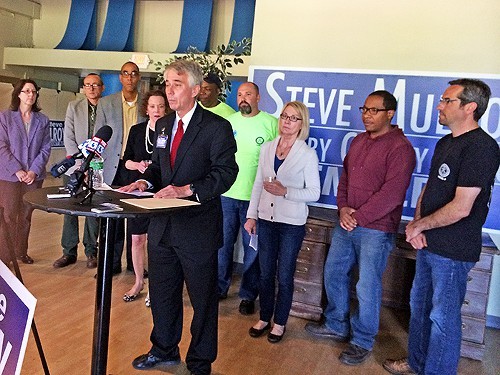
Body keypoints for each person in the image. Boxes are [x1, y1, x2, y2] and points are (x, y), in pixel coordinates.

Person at [120, 60, 237, 375]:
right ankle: (163, 349)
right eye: (167, 83)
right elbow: (160, 170)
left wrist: (188, 189)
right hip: (162, 229)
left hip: (197, 231)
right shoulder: (162, 126)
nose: (169, 90)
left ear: (195, 89)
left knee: (202, 302)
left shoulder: (216, 127)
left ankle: (200, 361)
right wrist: (145, 181)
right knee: (162, 295)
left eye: (177, 84)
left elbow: (227, 173)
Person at [383, 79, 500, 375]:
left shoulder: (482, 148)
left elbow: (462, 207)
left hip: (453, 250)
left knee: (443, 319)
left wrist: (420, 226)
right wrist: (419, 227)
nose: (440, 105)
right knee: (420, 309)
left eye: (447, 101)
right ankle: (417, 363)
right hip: (428, 243)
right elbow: (430, 189)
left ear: (470, 107)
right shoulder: (445, 142)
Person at [305, 90, 416, 365]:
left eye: (374, 110)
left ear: (390, 114)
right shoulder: (357, 141)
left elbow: (392, 193)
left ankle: (362, 341)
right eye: (364, 109)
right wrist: (343, 209)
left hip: (376, 229)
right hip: (346, 223)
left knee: (367, 286)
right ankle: (336, 324)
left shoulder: (401, 148)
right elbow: (345, 179)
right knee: (334, 273)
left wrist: (359, 217)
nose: (366, 115)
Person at [244, 101, 320, 343]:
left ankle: (280, 322)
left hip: (291, 224)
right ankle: (264, 317)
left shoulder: (307, 154)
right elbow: (258, 184)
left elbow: (314, 193)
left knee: (284, 275)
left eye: (293, 118)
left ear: (301, 124)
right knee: (265, 273)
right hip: (266, 219)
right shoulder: (267, 148)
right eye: (284, 116)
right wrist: (251, 214)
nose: (287, 121)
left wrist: (285, 191)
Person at [218, 82, 278, 315]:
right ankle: (219, 288)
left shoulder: (271, 124)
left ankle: (248, 295)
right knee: (222, 245)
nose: (243, 98)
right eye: (240, 94)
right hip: (226, 196)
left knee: (252, 249)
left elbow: (277, 160)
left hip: (256, 199)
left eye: (248, 94)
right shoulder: (229, 122)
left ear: (258, 97)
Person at [94, 61, 146, 275]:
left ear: (139, 77)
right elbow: (99, 136)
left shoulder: (147, 102)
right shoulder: (106, 103)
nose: (130, 77)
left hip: (137, 167)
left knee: (135, 216)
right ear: (120, 77)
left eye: (134, 74)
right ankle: (111, 264)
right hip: (112, 167)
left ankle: (136, 265)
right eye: (126, 74)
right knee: (112, 217)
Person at [121, 90, 171, 302]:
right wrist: (137, 165)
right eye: (152, 106)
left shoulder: (170, 131)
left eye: (161, 106)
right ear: (146, 109)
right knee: (136, 239)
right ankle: (139, 281)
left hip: (160, 191)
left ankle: (155, 288)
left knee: (156, 242)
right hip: (137, 189)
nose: (157, 110)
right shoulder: (136, 130)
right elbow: (126, 160)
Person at [53, 73, 104, 269]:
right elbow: (69, 137)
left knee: (93, 210)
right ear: (83, 88)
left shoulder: (107, 107)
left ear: (102, 87)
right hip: (75, 166)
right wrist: (80, 165)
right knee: (70, 209)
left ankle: (91, 251)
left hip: (97, 166)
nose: (91, 88)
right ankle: (69, 252)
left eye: (95, 85)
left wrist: (93, 164)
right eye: (87, 85)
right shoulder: (73, 107)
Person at [0, 79, 51, 265]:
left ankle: (21, 251)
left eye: (34, 92)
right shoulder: (5, 118)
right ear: (18, 94)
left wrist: (33, 171)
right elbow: (1, 147)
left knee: (26, 215)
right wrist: (18, 171)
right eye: (26, 91)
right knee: (8, 215)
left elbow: (45, 149)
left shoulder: (43, 120)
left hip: (33, 177)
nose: (31, 94)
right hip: (9, 177)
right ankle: (5, 256)